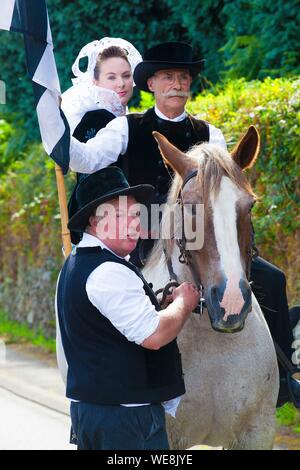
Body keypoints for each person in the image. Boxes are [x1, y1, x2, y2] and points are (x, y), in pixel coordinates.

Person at [66, 41, 300, 404]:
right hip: (142, 237)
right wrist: (58, 138)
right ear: (152, 85)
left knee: (272, 277)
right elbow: (84, 159)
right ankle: (123, 390)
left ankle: (283, 380)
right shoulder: (126, 129)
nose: (177, 84)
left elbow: (225, 195)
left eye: (183, 78)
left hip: (203, 240)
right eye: (168, 77)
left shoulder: (211, 134)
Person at [55, 166, 200, 450]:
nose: (138, 225)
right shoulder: (108, 271)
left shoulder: (75, 264)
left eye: (138, 216)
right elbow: (154, 335)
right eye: (127, 217)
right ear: (96, 223)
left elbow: (108, 326)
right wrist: (184, 303)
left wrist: (159, 307)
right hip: (126, 421)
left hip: (99, 414)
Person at [62, 37, 141, 243]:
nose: (121, 83)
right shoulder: (93, 120)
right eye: (112, 77)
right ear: (95, 82)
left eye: (126, 75)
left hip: (136, 216)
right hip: (103, 222)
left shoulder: (137, 120)